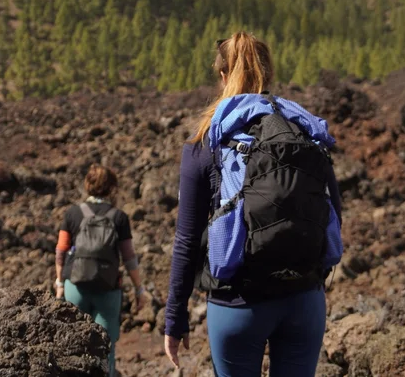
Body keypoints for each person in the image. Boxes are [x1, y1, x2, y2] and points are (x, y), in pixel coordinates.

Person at [164, 32, 344, 377]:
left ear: (222, 75)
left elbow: (187, 239)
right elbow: (333, 208)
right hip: (304, 299)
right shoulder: (304, 132)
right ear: (269, 72)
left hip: (237, 305)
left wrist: (175, 317)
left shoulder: (206, 143)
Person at [56, 164, 146, 377]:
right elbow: (129, 258)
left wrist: (59, 283)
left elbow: (61, 251)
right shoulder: (119, 217)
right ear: (112, 188)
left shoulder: (73, 213)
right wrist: (139, 289)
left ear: (87, 185)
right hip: (108, 289)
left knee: (72, 346)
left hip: (75, 287)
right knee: (106, 348)